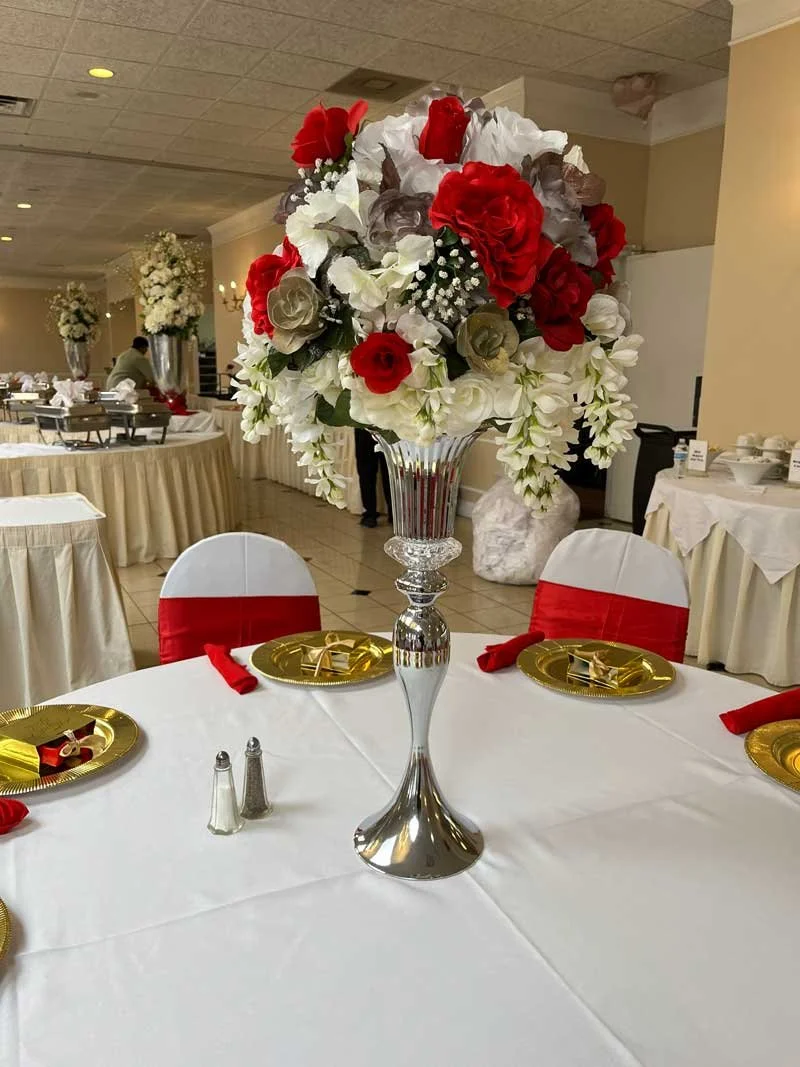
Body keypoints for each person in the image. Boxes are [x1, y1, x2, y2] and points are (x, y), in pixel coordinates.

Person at [354, 428, 392, 528]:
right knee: (366, 470)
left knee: (390, 470)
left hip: (388, 424)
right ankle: (369, 513)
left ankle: (394, 512)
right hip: (363, 424)